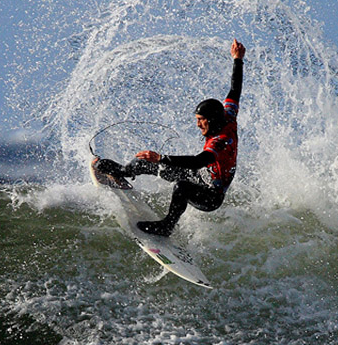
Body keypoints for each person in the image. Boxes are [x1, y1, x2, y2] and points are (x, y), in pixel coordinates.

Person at [93, 39, 245, 237]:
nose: (198, 125)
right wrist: (237, 59)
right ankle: (122, 172)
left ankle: (167, 226)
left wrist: (161, 157)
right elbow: (235, 90)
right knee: (151, 163)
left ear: (212, 120)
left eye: (201, 120)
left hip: (211, 196)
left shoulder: (221, 140)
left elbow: (199, 161)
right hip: (200, 176)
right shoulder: (228, 115)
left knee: (181, 186)